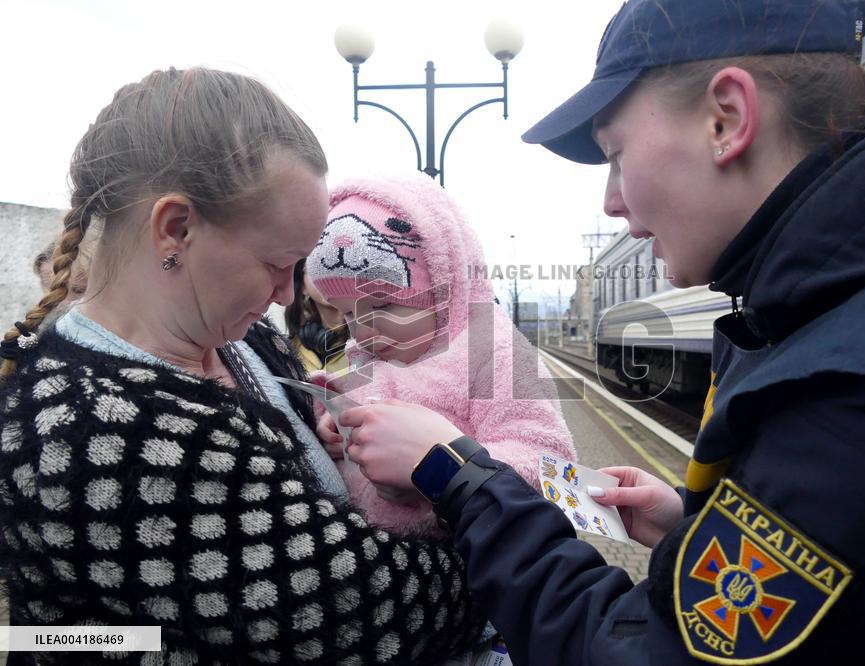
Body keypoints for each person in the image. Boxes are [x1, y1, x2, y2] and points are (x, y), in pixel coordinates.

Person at [329, 0, 865, 664]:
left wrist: (458, 473)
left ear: (726, 118)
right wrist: (698, 525)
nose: (611, 200)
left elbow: (640, 653)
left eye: (615, 155)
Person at [0, 67, 489, 664]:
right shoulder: (96, 425)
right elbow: (371, 615)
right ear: (176, 228)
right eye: (276, 262)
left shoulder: (242, 341)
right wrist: (516, 537)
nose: (288, 295)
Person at [307, 174, 575, 535]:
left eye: (384, 304)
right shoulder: (367, 356)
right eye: (349, 314)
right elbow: (345, 404)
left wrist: (438, 471)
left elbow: (550, 465)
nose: (362, 331)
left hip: (474, 568)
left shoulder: (493, 355)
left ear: (443, 286)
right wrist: (333, 421)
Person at [284, 258, 351, 374]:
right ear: (303, 287)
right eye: (317, 268)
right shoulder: (291, 352)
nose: (328, 278)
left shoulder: (370, 336)